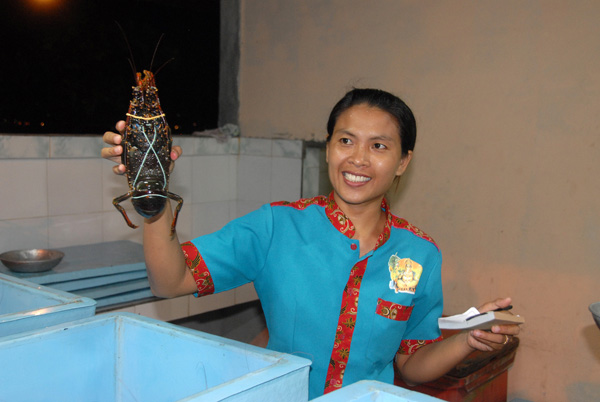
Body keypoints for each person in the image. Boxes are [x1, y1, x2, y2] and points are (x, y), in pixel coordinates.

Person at [102, 88, 520, 399]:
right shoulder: (277, 225)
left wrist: (467, 340)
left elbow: (412, 366)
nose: (357, 159)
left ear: (403, 162)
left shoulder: (420, 254)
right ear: (328, 148)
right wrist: (150, 198)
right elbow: (170, 281)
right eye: (345, 140)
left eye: (378, 146)